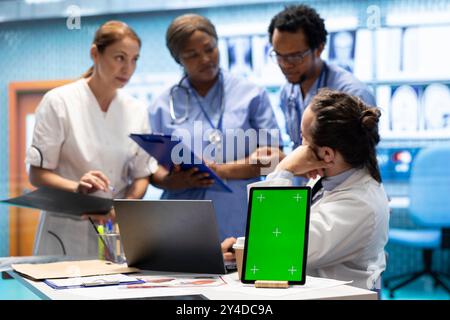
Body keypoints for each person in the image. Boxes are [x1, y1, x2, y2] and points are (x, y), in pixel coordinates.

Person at [223, 89, 389, 291]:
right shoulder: (328, 179)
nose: (299, 148)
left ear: (327, 154)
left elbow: (278, 252)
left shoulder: (360, 205)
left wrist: (284, 169)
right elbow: (287, 232)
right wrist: (243, 248)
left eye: (303, 139)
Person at [26, 21, 158, 256]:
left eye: (134, 59)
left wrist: (122, 209)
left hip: (116, 229)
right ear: (95, 53)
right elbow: (37, 174)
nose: (128, 68)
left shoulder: (136, 110)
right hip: (65, 228)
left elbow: (141, 176)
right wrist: (76, 186)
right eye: (120, 57)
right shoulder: (59, 102)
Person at [149, 14, 281, 241]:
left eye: (210, 49)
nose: (205, 59)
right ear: (178, 59)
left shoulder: (251, 94)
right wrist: (171, 180)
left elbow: (276, 159)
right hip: (181, 219)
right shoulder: (162, 104)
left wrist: (220, 171)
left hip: (238, 215)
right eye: (192, 55)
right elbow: (150, 167)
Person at [268, 4, 376, 149]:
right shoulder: (287, 93)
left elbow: (360, 160)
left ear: (319, 49)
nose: (286, 65)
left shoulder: (353, 94)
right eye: (279, 55)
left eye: (295, 56)